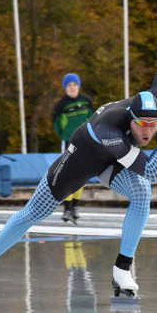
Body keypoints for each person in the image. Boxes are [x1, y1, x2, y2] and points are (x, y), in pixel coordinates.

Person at [0, 5, 157, 297]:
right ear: (130, 116)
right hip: (81, 158)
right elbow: (154, 171)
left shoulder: (153, 100)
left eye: (154, 126)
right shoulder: (110, 130)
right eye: (142, 125)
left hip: (109, 162)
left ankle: (122, 267)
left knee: (142, 193)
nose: (147, 132)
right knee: (33, 213)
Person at [53, 74, 94, 223]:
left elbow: (93, 119)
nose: (72, 87)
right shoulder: (60, 105)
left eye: (74, 85)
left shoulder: (86, 101)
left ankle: (75, 207)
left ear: (79, 86)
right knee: (68, 175)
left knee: (82, 175)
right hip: (68, 142)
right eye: (69, 85)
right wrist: (65, 135)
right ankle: (67, 208)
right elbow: (57, 125)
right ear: (65, 88)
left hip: (85, 141)